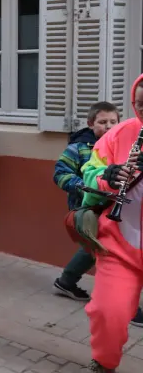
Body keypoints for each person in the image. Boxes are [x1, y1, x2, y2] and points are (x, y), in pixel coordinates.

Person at [78, 74, 143, 372]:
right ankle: (104, 363)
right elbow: (89, 175)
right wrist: (108, 177)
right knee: (108, 311)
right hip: (119, 243)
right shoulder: (120, 133)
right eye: (140, 105)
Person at [53, 103, 127, 303]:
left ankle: (67, 281)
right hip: (85, 207)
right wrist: (85, 187)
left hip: (111, 207)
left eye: (113, 122)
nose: (108, 126)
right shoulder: (77, 148)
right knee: (99, 247)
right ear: (90, 124)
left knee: (97, 247)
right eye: (102, 122)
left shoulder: (122, 145)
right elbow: (60, 174)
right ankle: (115, 297)